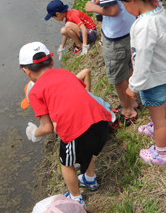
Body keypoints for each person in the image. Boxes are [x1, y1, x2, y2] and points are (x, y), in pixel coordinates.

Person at [19, 42, 113, 206]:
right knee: (87, 150)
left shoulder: (35, 91)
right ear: (52, 62)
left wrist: (34, 133)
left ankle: (76, 198)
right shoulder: (65, 73)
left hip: (76, 132)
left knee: (66, 164)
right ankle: (90, 179)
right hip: (101, 121)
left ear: (26, 71)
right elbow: (82, 94)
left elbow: (47, 127)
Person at [73, 0, 138, 129]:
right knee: (129, 66)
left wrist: (92, 7)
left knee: (118, 76)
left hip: (116, 34)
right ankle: (133, 100)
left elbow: (112, 10)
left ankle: (128, 110)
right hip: (131, 27)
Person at [117, 0, 166, 164]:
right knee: (160, 103)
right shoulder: (162, 12)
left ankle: (161, 154)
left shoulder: (143, 26)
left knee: (159, 117)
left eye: (124, 4)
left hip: (153, 77)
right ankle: (156, 126)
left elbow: (142, 61)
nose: (125, 8)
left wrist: (133, 86)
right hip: (165, 71)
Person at [21, 68, 114, 117]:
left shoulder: (58, 106)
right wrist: (85, 95)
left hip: (102, 119)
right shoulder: (65, 83)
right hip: (105, 108)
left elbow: (52, 127)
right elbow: (86, 72)